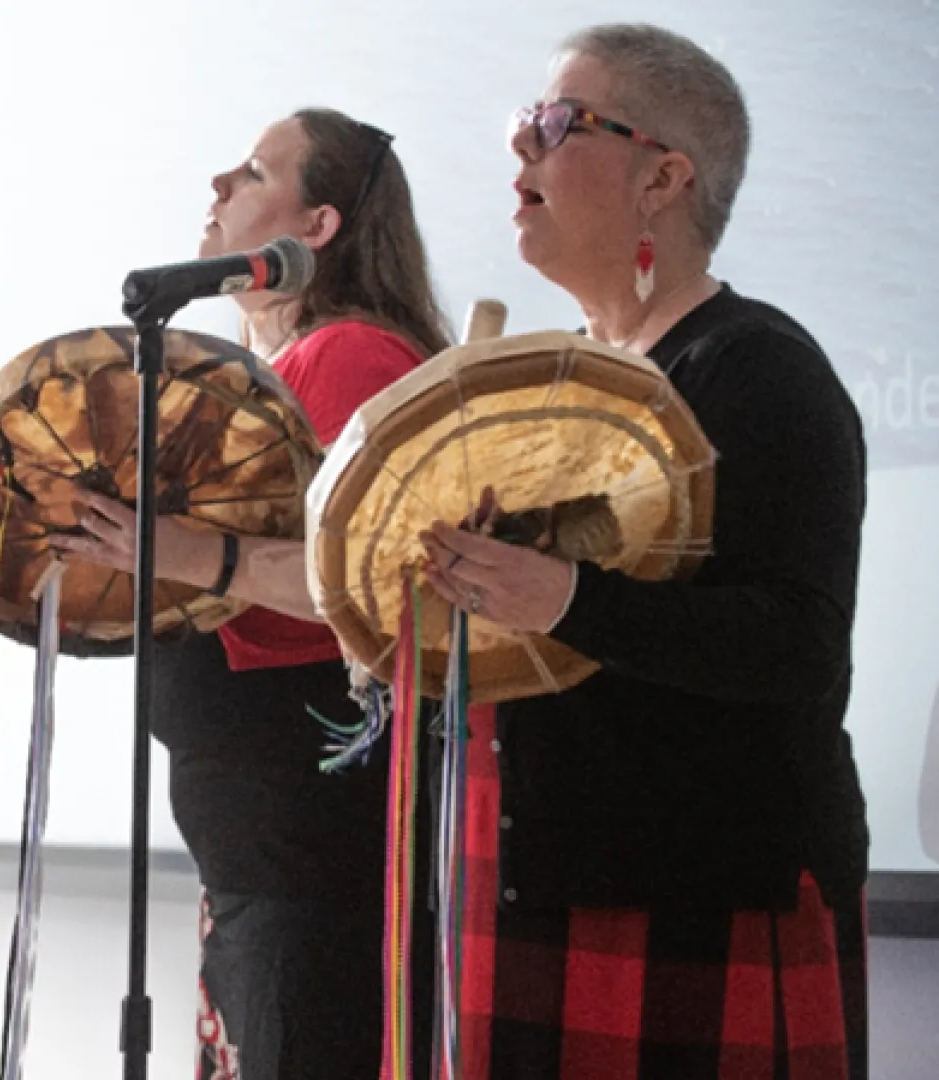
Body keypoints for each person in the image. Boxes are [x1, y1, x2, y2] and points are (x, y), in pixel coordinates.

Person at [416, 23, 869, 1078]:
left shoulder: (759, 372)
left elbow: (797, 647)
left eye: (556, 124)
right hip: (540, 886)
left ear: (664, 176)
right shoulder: (573, 384)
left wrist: (566, 598)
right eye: (522, 125)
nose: (519, 152)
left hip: (698, 901)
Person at [49, 108, 450, 1079]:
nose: (218, 185)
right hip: (263, 861)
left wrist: (186, 552)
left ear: (315, 228)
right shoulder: (289, 364)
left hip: (309, 860)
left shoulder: (347, 353)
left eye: (253, 172)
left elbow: (373, 578)